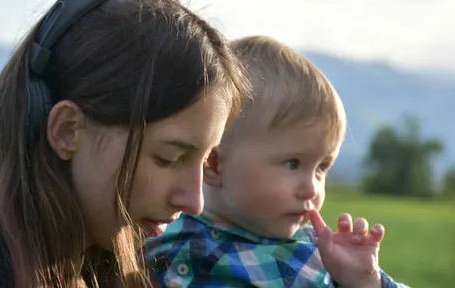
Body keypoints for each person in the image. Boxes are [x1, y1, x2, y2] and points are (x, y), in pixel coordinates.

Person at [0, 0, 251, 288]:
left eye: (204, 164)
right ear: (66, 131)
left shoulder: (101, 252)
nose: (194, 201)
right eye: (169, 158)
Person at [144, 35, 410, 287]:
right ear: (214, 164)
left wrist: (364, 281)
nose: (311, 189)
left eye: (321, 168)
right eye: (292, 164)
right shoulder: (159, 238)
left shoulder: (322, 258)